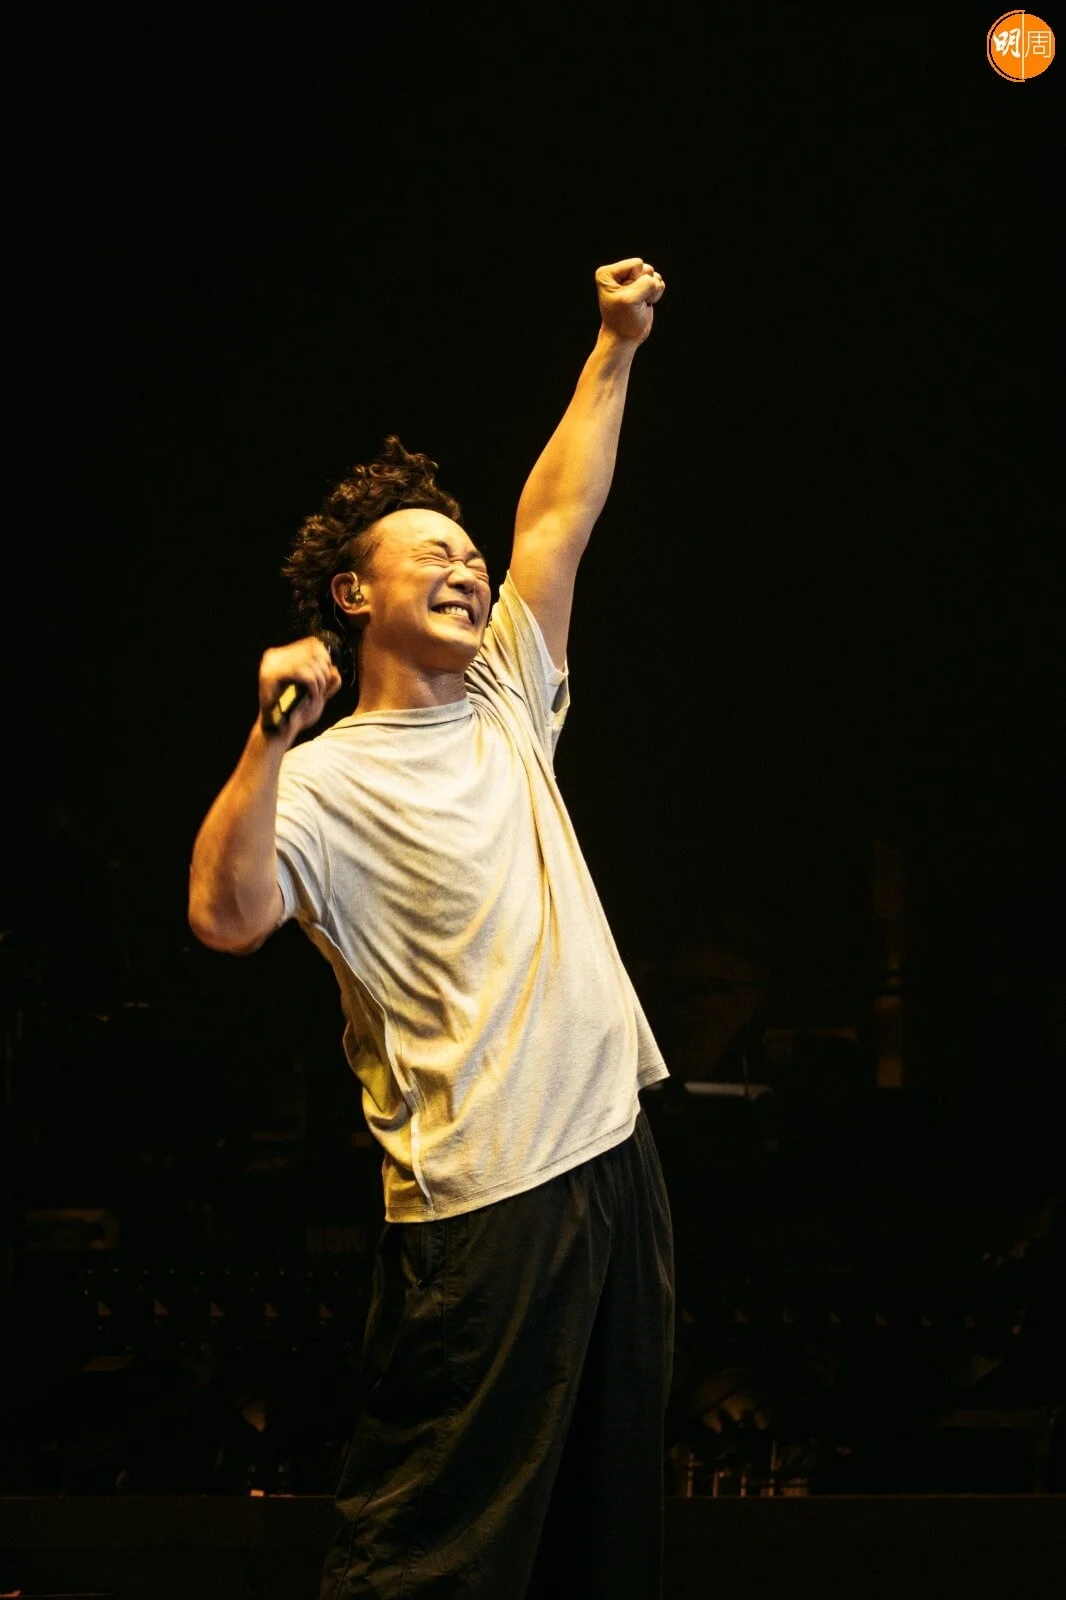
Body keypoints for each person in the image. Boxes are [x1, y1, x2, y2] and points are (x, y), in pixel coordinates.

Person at [188, 257, 674, 1598]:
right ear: (355, 596)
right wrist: (268, 735)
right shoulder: (321, 780)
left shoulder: (509, 695)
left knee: (598, 1541)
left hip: (614, 1164)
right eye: (432, 555)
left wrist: (615, 344)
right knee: (433, 1557)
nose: (468, 568)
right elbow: (225, 917)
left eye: (468, 554)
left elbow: (557, 516)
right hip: (487, 1198)